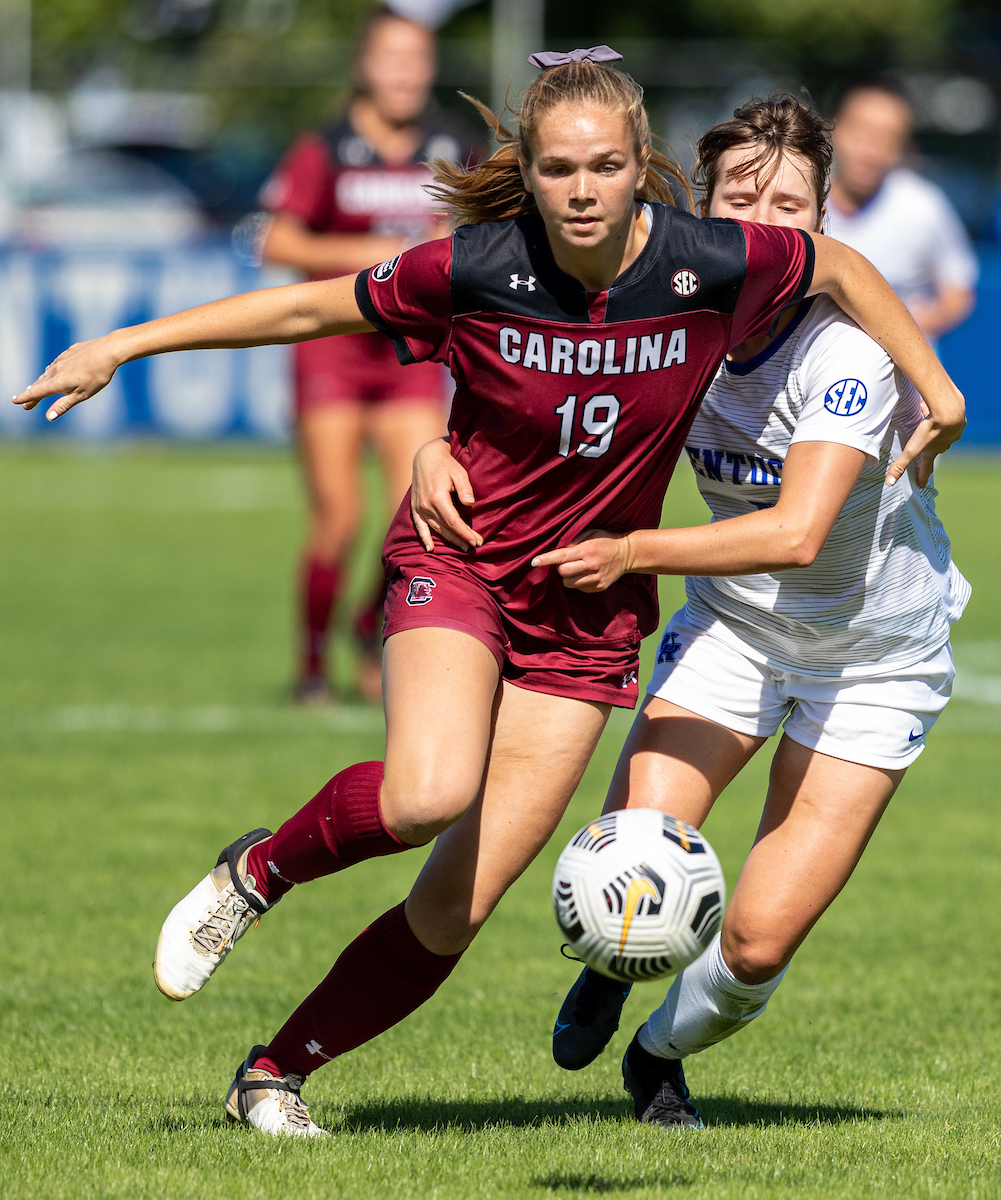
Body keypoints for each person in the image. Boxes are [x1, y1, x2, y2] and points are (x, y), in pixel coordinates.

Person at [14, 55, 965, 1140]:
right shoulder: (477, 263)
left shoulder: (716, 269)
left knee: (454, 903)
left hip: (597, 609)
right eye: (557, 168)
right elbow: (311, 307)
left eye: (604, 166)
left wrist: (934, 389)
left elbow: (837, 265)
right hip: (464, 557)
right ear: (532, 170)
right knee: (427, 792)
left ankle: (272, 1076)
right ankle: (259, 869)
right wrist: (122, 345)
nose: (581, 189)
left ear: (639, 167)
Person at [492, 95, 965, 1131]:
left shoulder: (847, 354)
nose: (760, 224)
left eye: (787, 206)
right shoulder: (670, 318)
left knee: (754, 943)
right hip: (734, 634)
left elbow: (794, 534)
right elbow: (520, 386)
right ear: (697, 211)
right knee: (631, 851)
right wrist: (436, 449)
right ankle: (611, 966)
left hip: (872, 660)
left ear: (819, 226)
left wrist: (631, 551)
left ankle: (657, 1055)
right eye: (738, 201)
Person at [259, 5, 481, 704]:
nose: (405, 74)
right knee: (339, 518)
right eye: (392, 59)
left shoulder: (453, 145)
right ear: (364, 66)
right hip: (332, 354)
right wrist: (369, 253)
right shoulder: (325, 147)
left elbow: (482, 229)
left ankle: (364, 629)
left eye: (417, 60)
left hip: (407, 357)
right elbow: (277, 242)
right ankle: (310, 669)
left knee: (416, 519)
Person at [826, 79, 978, 343]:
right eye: (861, 132)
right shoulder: (799, 200)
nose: (871, 150)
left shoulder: (923, 205)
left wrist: (907, 328)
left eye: (889, 138)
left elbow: (959, 290)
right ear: (834, 129)